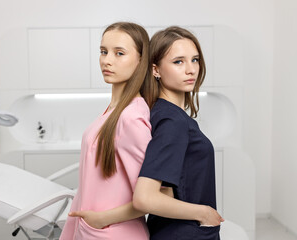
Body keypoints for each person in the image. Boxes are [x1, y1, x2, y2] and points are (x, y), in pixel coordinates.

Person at [59, 21, 152, 240]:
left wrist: (101, 219)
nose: (107, 60)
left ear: (141, 60)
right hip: (95, 230)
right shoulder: (114, 110)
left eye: (119, 53)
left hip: (113, 233)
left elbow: (153, 197)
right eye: (103, 51)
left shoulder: (131, 118)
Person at [133, 26, 224, 239]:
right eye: (178, 62)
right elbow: (144, 197)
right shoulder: (172, 121)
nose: (191, 69)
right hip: (185, 232)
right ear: (155, 70)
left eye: (195, 60)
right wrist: (203, 212)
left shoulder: (161, 112)